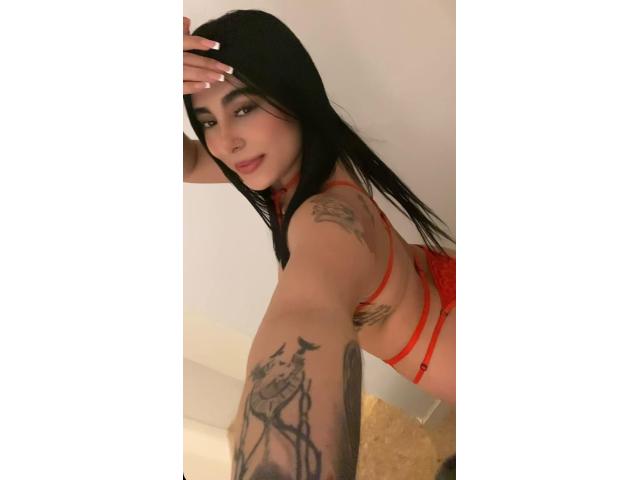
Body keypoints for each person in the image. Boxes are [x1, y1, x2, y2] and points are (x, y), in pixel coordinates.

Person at [183, 10, 455, 479]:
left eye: (243, 109)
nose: (225, 143)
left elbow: (307, 315)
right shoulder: (303, 155)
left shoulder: (326, 221)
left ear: (291, 91)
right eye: (207, 121)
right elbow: (188, 163)